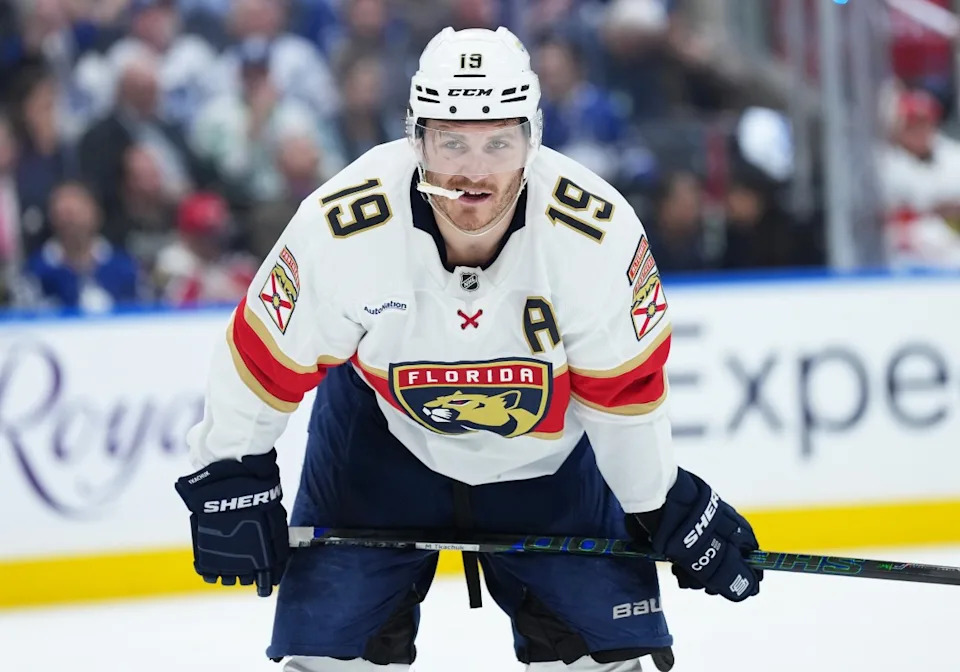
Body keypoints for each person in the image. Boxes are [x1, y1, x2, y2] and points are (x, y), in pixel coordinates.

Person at [174, 27, 762, 672]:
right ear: (415, 138)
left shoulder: (596, 236)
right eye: (451, 140)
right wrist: (229, 472)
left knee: (606, 661)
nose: (475, 172)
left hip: (552, 464)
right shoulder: (343, 226)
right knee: (327, 663)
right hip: (379, 452)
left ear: (532, 141)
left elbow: (623, 396)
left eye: (498, 142)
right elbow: (262, 357)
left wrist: (661, 502)